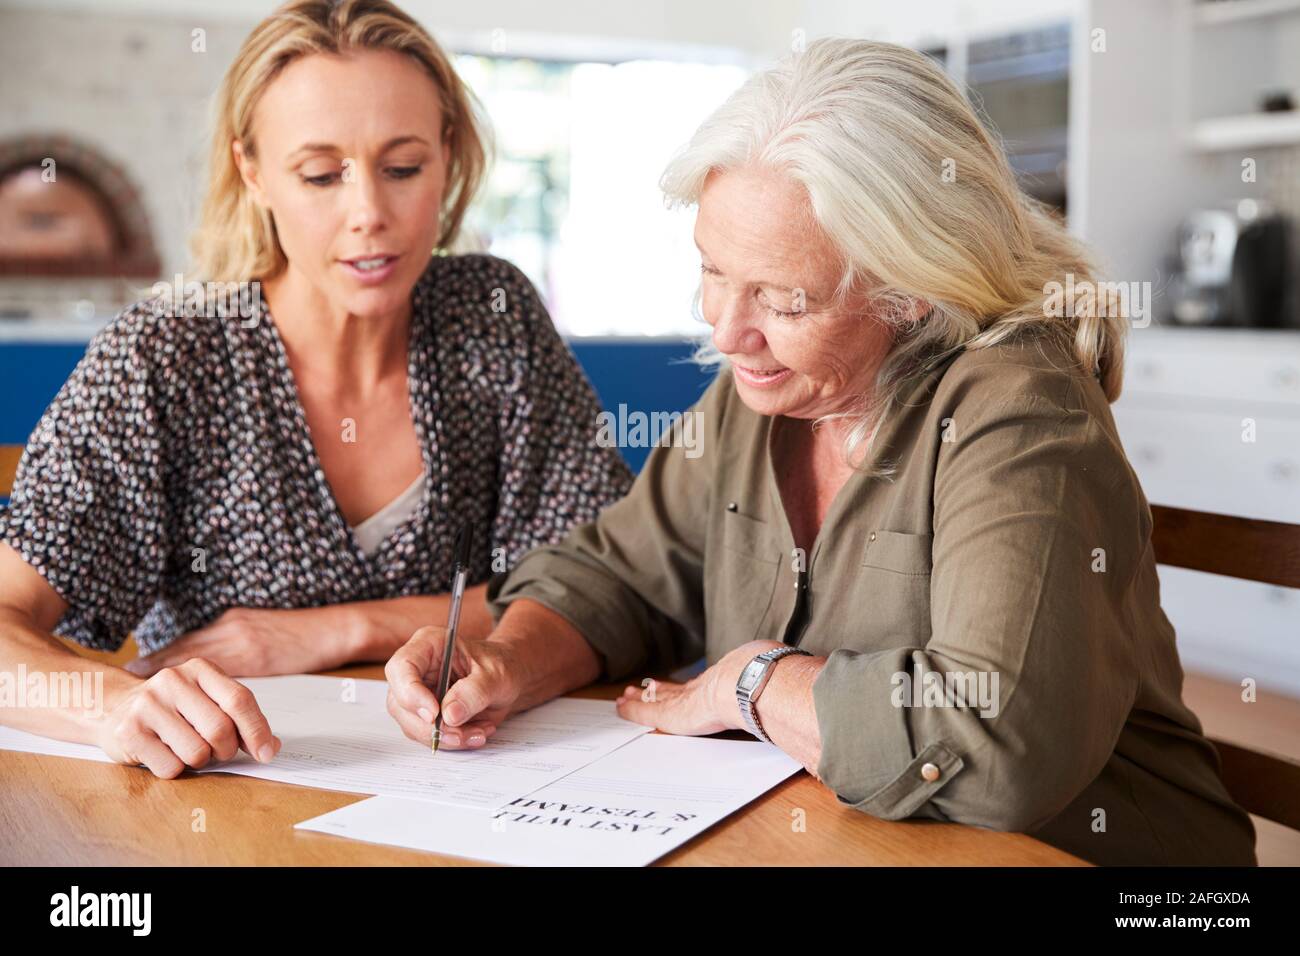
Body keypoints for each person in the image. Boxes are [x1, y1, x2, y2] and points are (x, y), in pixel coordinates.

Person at [384, 38, 1258, 866]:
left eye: (784, 300)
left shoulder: (1022, 413)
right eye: (713, 271)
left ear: (915, 289)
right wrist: (505, 658)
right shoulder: (760, 396)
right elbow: (621, 574)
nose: (728, 333)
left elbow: (996, 747)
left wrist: (753, 682)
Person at [0, 0, 631, 778]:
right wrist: (109, 706)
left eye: (403, 168)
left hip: (476, 787)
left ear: (449, 153)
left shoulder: (490, 319)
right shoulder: (165, 358)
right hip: (233, 802)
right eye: (321, 174)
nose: (369, 213)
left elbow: (611, 588)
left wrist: (337, 629)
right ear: (253, 171)